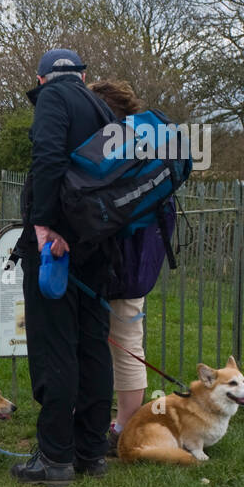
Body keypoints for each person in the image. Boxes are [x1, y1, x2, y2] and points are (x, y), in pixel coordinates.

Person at [11, 49, 116, 487]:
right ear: (84, 75)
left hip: (58, 246)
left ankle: (54, 459)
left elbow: (49, 158)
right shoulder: (102, 106)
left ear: (41, 79)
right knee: (92, 347)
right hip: (97, 242)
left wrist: (44, 225)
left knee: (54, 348)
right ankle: (91, 451)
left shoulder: (53, 99)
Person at [87, 79, 148, 454]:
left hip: (108, 262)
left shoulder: (105, 153)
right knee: (128, 345)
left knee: (94, 343)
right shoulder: (146, 149)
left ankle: (103, 426)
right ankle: (126, 427)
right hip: (139, 262)